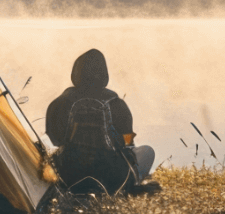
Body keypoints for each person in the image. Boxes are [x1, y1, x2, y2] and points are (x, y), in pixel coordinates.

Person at [45, 49, 157, 195]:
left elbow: (55, 140)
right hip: (112, 179)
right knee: (147, 151)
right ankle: (131, 184)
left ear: (75, 73)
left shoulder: (58, 103)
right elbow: (128, 141)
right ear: (104, 75)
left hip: (70, 176)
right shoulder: (117, 103)